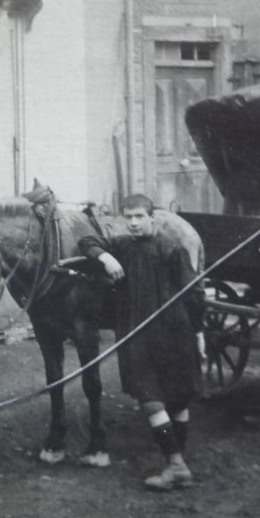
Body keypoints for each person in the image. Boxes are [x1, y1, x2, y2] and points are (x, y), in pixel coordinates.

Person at [78, 193, 206, 490]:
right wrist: (106, 257)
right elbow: (86, 242)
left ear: (152, 218)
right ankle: (177, 463)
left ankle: (176, 465)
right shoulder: (122, 247)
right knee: (154, 398)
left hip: (172, 331)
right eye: (129, 217)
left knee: (170, 399)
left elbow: (196, 294)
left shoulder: (172, 249)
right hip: (137, 332)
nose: (133, 223)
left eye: (139, 217)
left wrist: (198, 333)